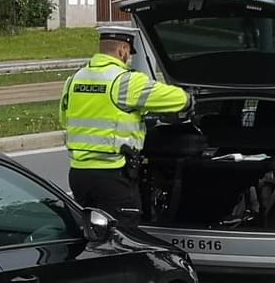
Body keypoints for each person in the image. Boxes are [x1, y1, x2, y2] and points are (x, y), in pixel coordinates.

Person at [60, 24, 191, 223]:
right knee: (122, 232)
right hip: (113, 174)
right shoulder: (125, 82)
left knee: (89, 229)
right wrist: (189, 99)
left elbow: (64, 119)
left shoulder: (74, 80)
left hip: (79, 175)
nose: (128, 57)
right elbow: (176, 99)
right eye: (129, 52)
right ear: (122, 50)